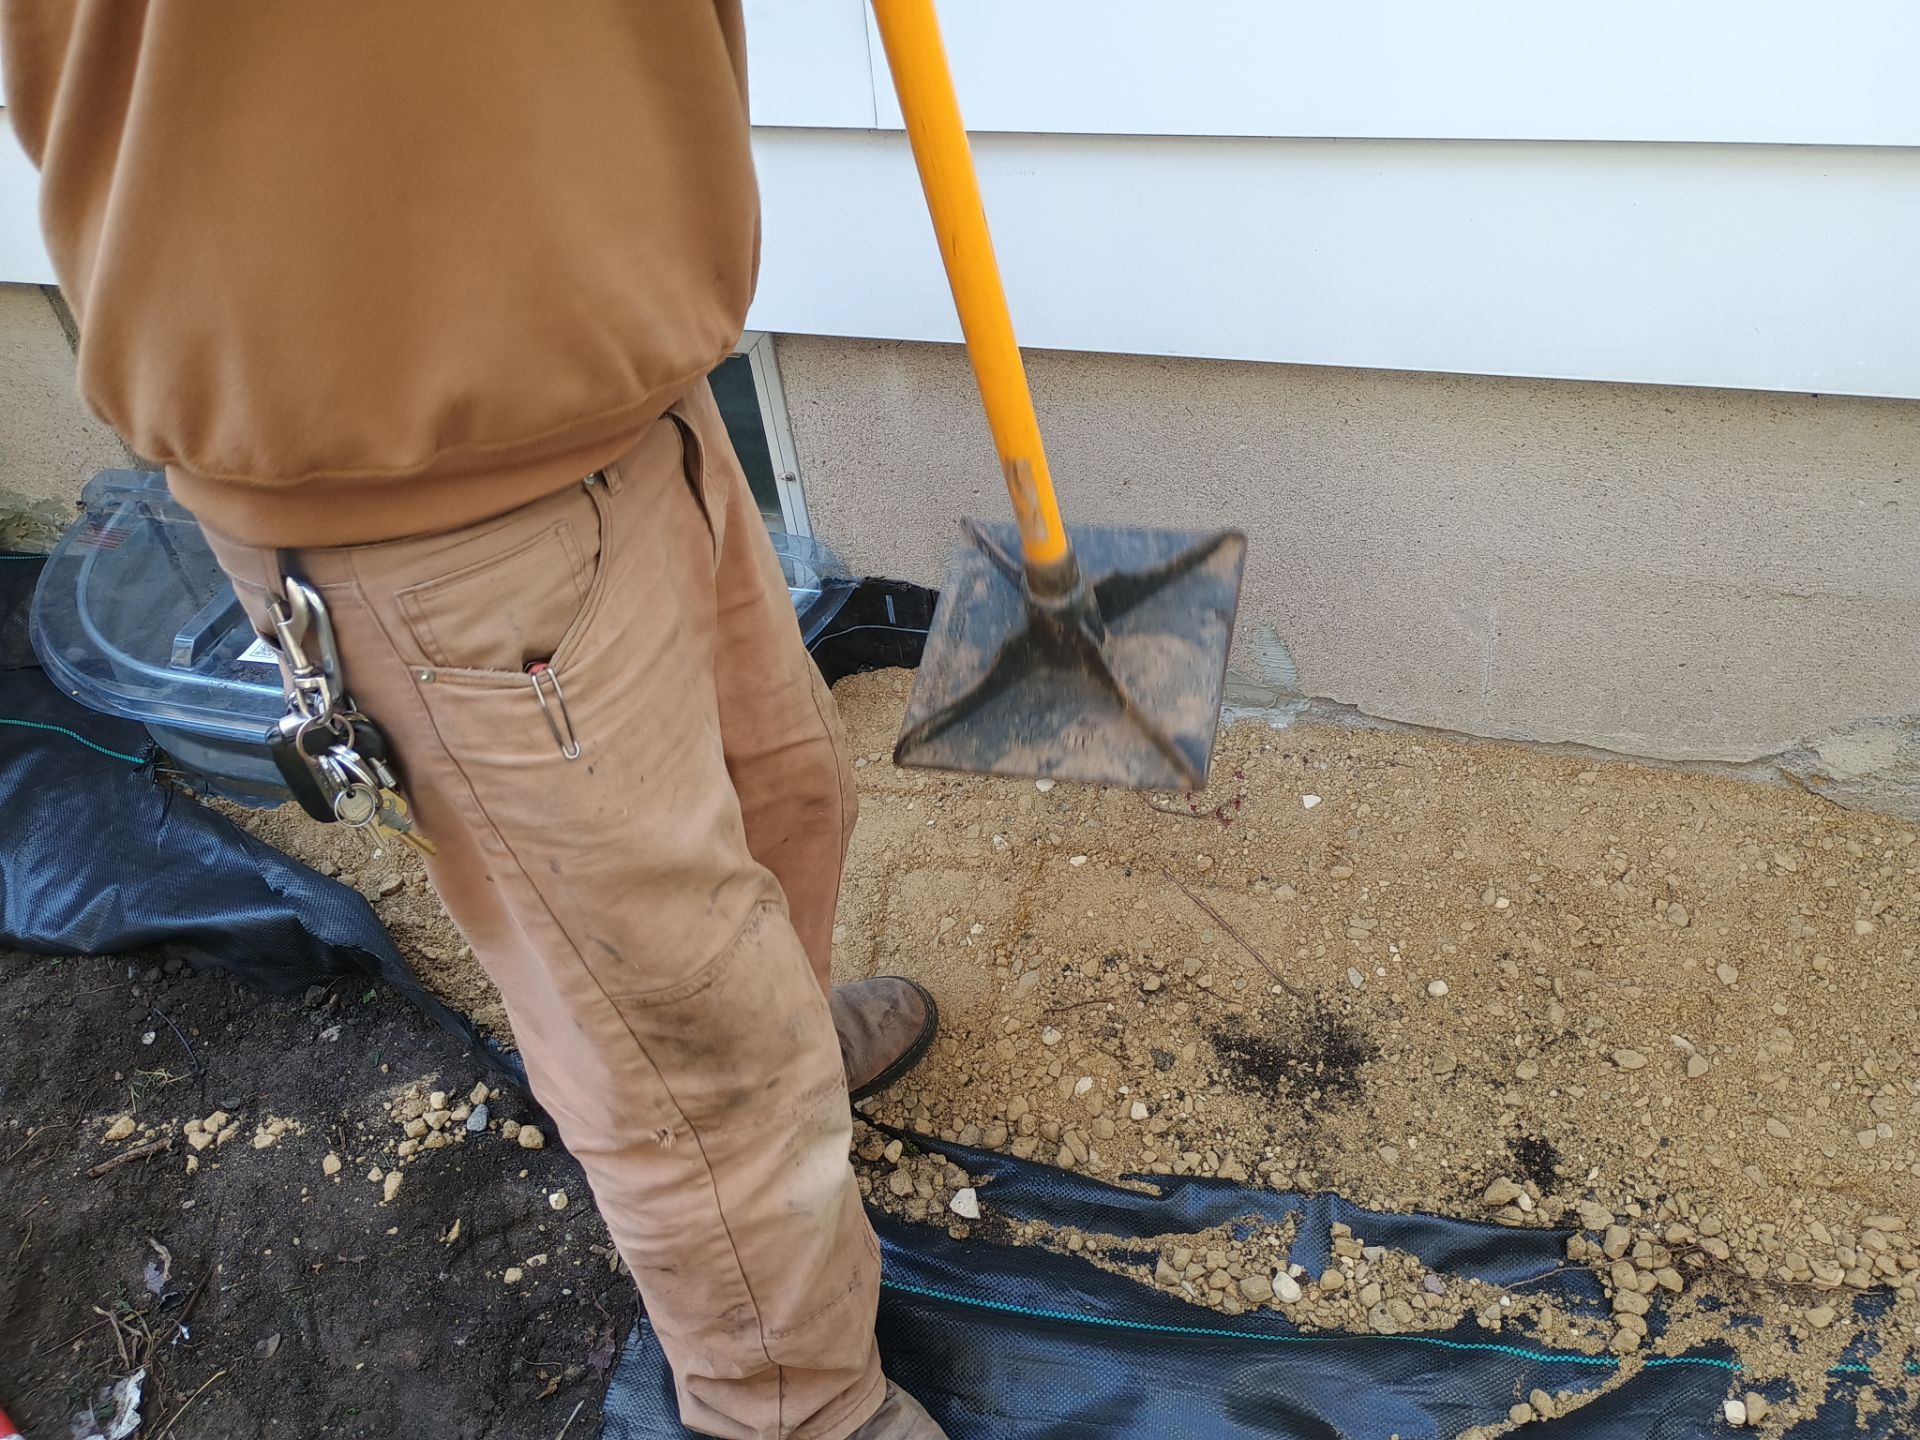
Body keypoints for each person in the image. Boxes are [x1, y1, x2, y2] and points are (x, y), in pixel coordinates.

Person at [1, 4, 950, 1436]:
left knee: (784, 791)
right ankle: (793, 1406)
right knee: (677, 1047)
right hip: (411, 486)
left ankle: (784, 1062)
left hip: (632, 382)